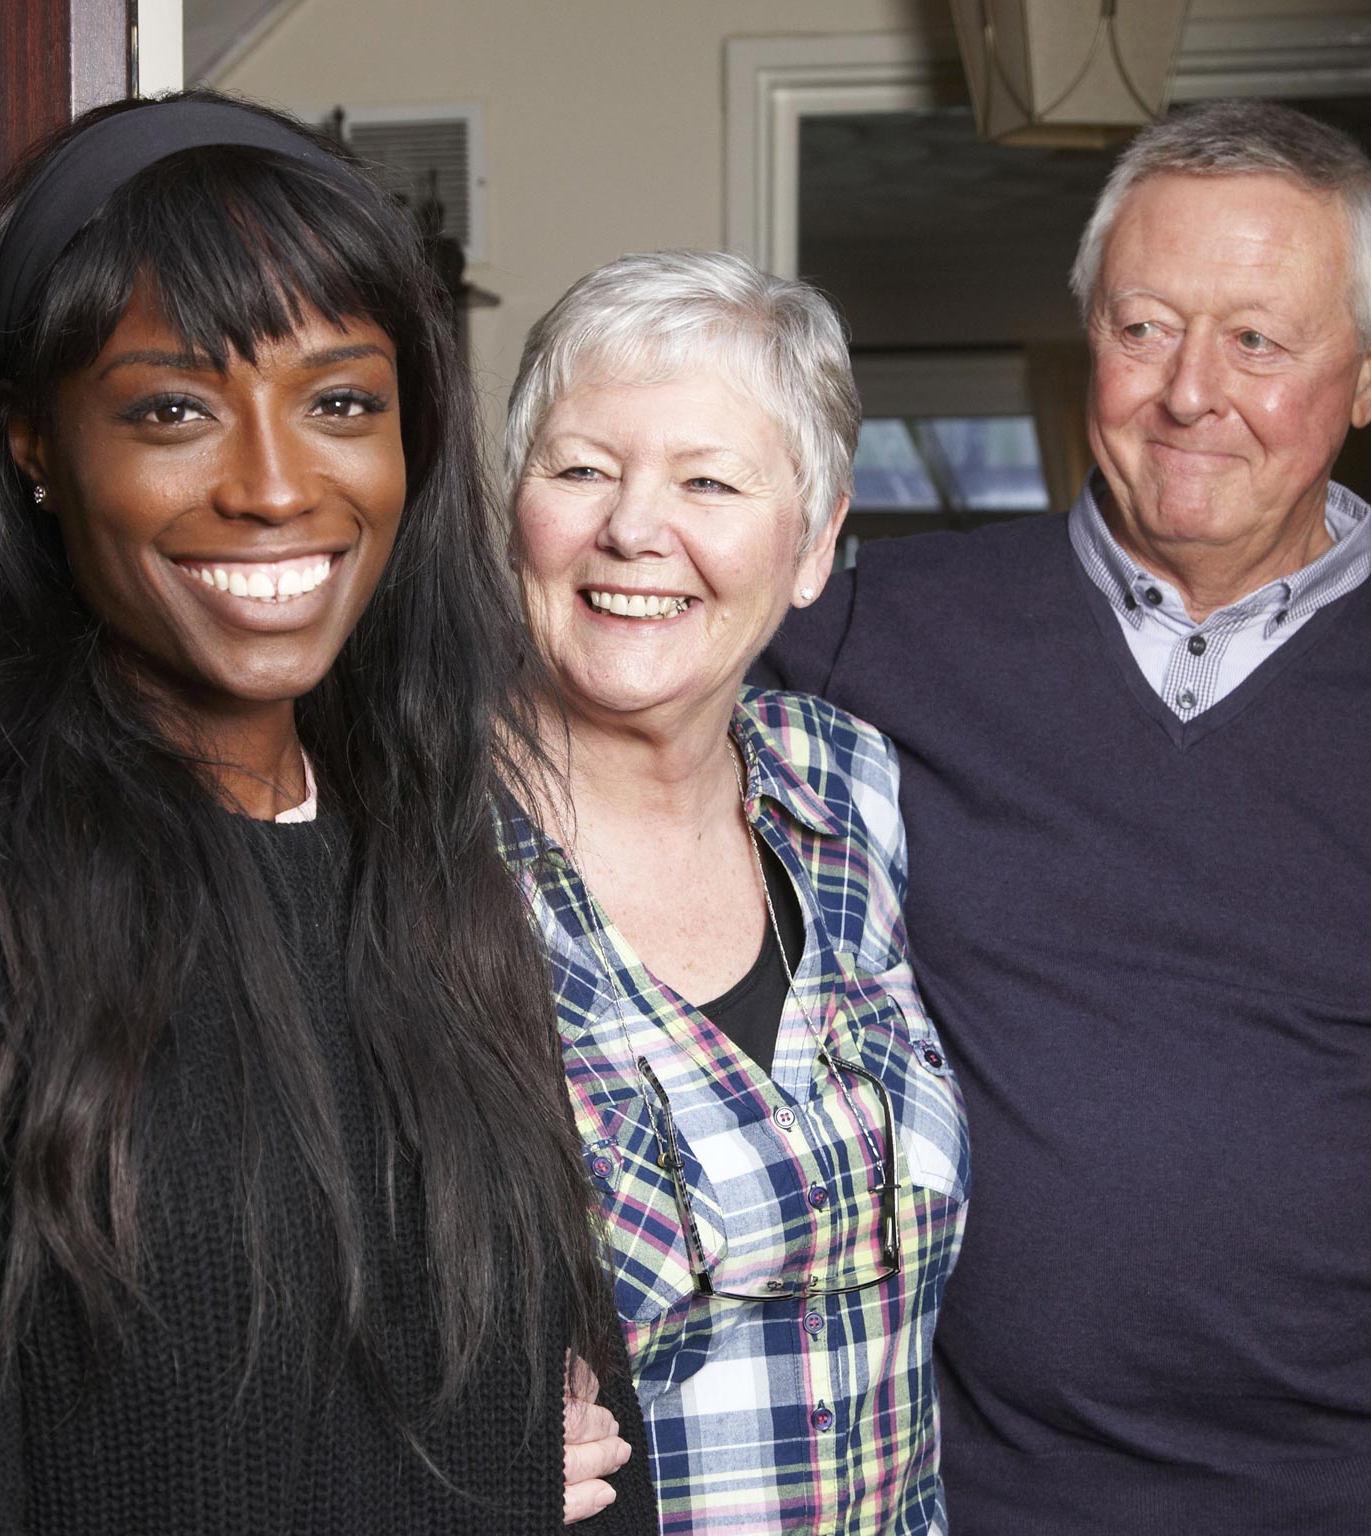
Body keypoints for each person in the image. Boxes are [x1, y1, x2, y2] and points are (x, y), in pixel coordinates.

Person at [0, 93, 654, 1533]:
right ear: (33, 443)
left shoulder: (427, 860)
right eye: (172, 410)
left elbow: (589, 1425)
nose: (274, 488)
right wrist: (467, 1485)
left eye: (341, 403)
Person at [759, 100, 1371, 1536]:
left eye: (1260, 341)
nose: (1191, 392)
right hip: (990, 1499)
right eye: (1146, 327)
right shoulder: (863, 639)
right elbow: (589, 755)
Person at [497, 250, 970, 1534]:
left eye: (707, 480)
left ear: (813, 545)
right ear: (512, 509)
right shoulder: (401, 852)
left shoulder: (847, 786)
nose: (633, 528)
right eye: (582, 468)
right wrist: (429, 1449)